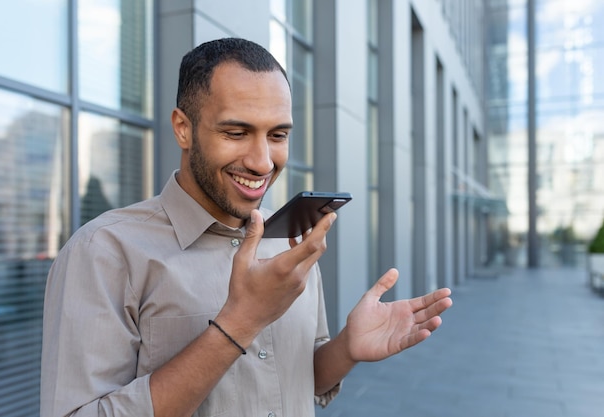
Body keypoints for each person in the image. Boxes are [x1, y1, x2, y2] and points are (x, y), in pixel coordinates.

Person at [40, 37, 452, 417]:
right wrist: (240, 323)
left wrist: (346, 348)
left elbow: (295, 378)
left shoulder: (291, 240)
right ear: (183, 128)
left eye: (277, 135)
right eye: (236, 132)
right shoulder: (104, 252)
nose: (262, 162)